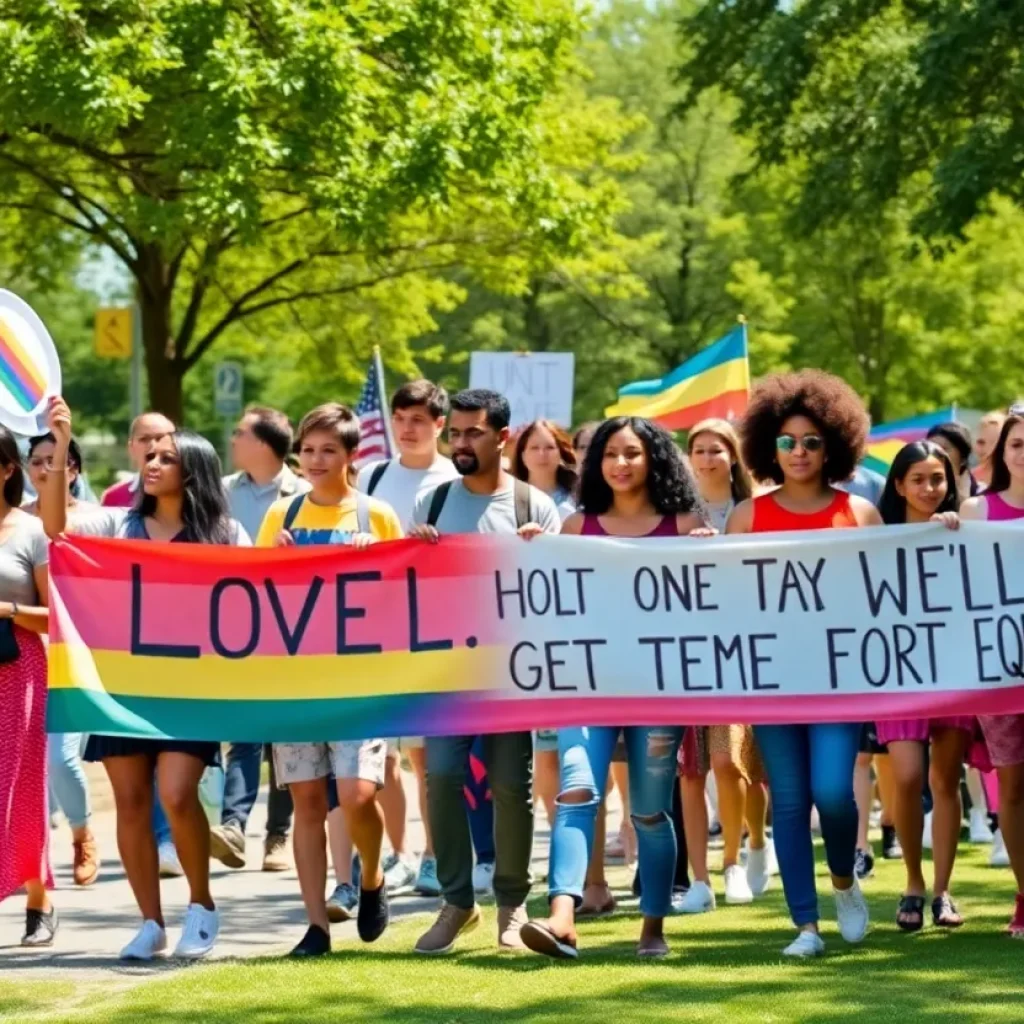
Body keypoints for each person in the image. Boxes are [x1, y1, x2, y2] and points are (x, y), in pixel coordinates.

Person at [41, 398, 248, 961]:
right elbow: (55, 526)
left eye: (166, 455)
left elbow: (253, 604)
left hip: (192, 690)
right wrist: (61, 444)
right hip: (122, 685)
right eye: (148, 453)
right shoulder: (117, 522)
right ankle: (150, 922)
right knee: (131, 802)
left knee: (177, 794)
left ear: (195, 469)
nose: (151, 462)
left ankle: (201, 906)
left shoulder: (226, 533)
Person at [519, 416, 706, 960]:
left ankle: (653, 927)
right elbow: (545, 602)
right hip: (586, 686)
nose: (620, 464)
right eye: (609, 455)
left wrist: (708, 559)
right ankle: (562, 917)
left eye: (631, 453)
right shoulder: (576, 528)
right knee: (576, 788)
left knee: (649, 810)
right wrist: (533, 551)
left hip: (658, 691)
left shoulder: (687, 524)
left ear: (654, 460)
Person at [726, 369, 881, 957]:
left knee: (833, 794)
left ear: (833, 446)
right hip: (771, 682)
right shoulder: (745, 519)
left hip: (839, 680)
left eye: (812, 441)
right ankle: (806, 926)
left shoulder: (861, 515)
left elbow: (895, 593)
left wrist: (940, 535)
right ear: (770, 447)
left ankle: (844, 879)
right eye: (787, 441)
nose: (798, 452)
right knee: (788, 801)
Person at [408, 388, 560, 955]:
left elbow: (561, 589)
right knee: (442, 776)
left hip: (511, 671)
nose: (462, 443)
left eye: (474, 433)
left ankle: (511, 902)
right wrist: (414, 549)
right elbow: (408, 587)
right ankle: (455, 900)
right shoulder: (435, 503)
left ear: (502, 438)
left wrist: (541, 551)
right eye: (456, 433)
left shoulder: (533, 506)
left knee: (507, 787)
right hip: (450, 670)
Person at [258, 402, 403, 958]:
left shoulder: (375, 516)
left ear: (350, 455)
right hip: (297, 684)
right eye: (309, 450)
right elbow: (256, 593)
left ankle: (370, 879)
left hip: (360, 682)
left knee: (358, 794)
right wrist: (275, 560)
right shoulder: (282, 516)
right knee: (308, 804)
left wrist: (378, 558)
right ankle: (316, 926)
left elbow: (403, 593)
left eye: (328, 451)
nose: (316, 460)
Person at [356, 379, 458, 898]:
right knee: (382, 755)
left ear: (439, 425)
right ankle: (397, 854)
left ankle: (435, 856)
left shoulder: (454, 479)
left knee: (425, 757)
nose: (408, 428)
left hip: (432, 630)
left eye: (419, 419)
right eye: (400, 418)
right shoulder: (372, 475)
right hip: (376, 628)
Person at [875, 441, 971, 931]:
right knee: (908, 777)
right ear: (899, 485)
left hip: (953, 669)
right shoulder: (874, 537)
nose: (931, 489)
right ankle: (912, 881)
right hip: (898, 673)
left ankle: (942, 891)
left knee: (945, 779)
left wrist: (958, 536)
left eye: (939, 480)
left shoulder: (966, 532)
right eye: (919, 480)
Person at [679, 419, 773, 909]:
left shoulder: (753, 510)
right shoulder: (673, 510)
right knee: (691, 770)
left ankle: (745, 851)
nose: (708, 457)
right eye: (699, 449)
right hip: (684, 651)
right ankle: (700, 881)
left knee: (733, 761)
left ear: (733, 455)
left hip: (739, 649)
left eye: (717, 449)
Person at [209, 406, 307, 874]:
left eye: (239, 432)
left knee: (284, 738)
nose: (232, 439)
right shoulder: (221, 493)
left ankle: (278, 836)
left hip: (293, 631)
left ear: (264, 444)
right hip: (238, 629)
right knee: (244, 733)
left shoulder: (304, 495)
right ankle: (232, 826)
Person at [24, 432, 100, 888]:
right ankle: (28, 859)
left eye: (55, 460)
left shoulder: (98, 521)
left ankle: (82, 834)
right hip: (24, 652)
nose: (44, 468)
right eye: (37, 460)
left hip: (80, 653)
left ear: (73, 468)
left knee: (60, 759)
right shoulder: (12, 522)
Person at [961, 410, 1024, 936]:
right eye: (1017, 444)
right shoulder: (977, 510)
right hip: (999, 676)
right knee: (1014, 787)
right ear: (1002, 453)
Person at [509, 419, 581, 827]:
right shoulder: (509, 499)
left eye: (549, 446)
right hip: (530, 628)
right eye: (532, 447)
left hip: (575, 627)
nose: (541, 454)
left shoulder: (582, 499)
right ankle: (560, 830)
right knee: (545, 743)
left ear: (562, 451)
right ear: (519, 454)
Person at [0, 426, 55, 947]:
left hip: (19, 671)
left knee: (17, 788)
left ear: (7, 469)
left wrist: (8, 610)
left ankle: (38, 897)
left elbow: (55, 615)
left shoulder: (30, 533)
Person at [100, 410, 176, 507]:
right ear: (131, 448)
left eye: (160, 438)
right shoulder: (113, 497)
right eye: (144, 439)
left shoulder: (193, 493)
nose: (153, 446)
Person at [927, 421, 978, 500]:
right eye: (931, 447)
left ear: (963, 459)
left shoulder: (980, 495)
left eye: (944, 449)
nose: (935, 453)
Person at [972, 410, 1007, 491]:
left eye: (996, 443)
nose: (989, 449)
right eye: (981, 442)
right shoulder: (970, 478)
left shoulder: (1015, 478)